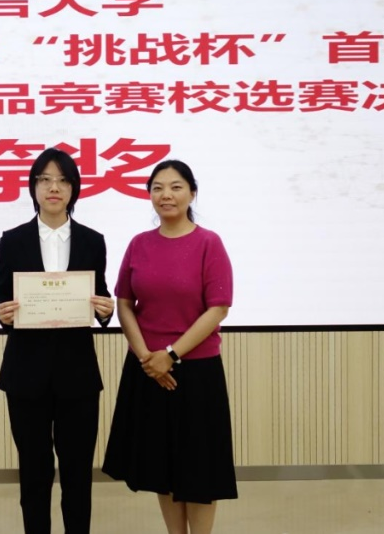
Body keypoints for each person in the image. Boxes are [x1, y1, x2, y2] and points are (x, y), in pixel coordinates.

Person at [102, 159, 237, 534]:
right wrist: (147, 357)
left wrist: (171, 354)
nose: (166, 195)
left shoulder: (209, 242)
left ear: (192, 193)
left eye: (176, 187)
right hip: (147, 369)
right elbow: (124, 303)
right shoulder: (139, 244)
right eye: (157, 187)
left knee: (199, 469)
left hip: (196, 372)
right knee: (162, 468)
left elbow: (218, 308)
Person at [0, 147, 115, 534]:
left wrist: (105, 310)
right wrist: (1, 312)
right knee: (34, 471)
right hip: (25, 374)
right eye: (44, 179)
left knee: (78, 473)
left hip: (78, 375)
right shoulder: (13, 240)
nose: (53, 187)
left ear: (74, 188)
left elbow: (100, 296)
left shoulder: (93, 241)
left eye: (62, 180)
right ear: (33, 187)